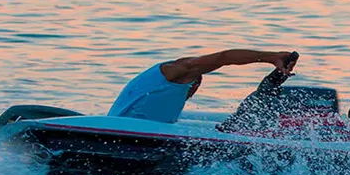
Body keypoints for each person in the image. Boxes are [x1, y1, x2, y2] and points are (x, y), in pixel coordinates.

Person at [107, 49, 298, 123]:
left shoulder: (168, 83)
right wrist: (270, 57)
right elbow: (223, 58)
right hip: (123, 134)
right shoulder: (173, 71)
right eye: (195, 83)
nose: (194, 90)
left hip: (148, 133)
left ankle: (273, 83)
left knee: (242, 120)